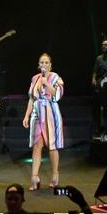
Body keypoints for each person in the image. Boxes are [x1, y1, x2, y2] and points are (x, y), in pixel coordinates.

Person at [22, 53, 64, 189]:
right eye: (42, 62)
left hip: (51, 113)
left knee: (52, 146)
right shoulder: (34, 78)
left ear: (50, 65)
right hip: (37, 114)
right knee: (36, 145)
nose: (44, 65)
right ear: (39, 65)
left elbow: (57, 96)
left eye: (46, 62)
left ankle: (55, 174)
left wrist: (47, 83)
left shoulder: (55, 77)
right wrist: (26, 116)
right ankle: (34, 177)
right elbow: (31, 98)